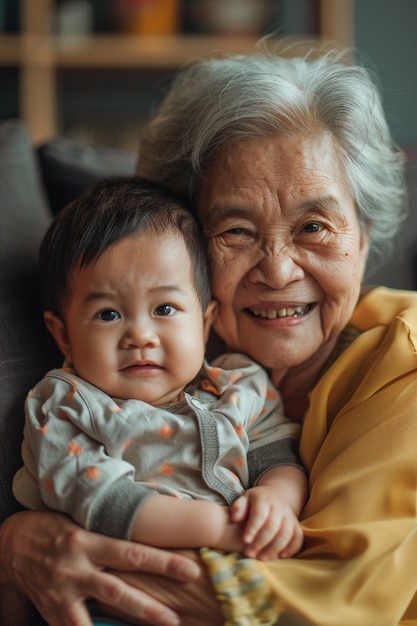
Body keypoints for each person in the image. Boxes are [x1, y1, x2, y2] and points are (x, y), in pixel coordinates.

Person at [1, 46, 417, 626]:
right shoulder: (173, 369)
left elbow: (336, 598)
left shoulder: (407, 362)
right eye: (237, 230)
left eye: (315, 227)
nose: (277, 271)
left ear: (364, 238)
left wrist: (33, 549)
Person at [12, 175, 306, 564]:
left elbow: (278, 457)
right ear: (63, 336)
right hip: (124, 587)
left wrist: (275, 499)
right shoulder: (67, 406)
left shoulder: (239, 385)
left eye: (164, 309)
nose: (140, 335)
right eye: (108, 314)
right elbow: (100, 499)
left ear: (204, 323)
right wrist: (218, 529)